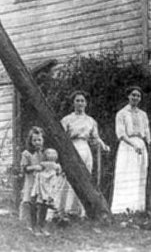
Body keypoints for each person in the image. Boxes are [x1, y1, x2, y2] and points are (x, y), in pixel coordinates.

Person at [55, 90, 110, 218]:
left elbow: (96, 137)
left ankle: (80, 211)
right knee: (70, 177)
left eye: (82, 101)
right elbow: (61, 137)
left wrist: (103, 145)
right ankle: (65, 209)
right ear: (73, 103)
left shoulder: (90, 121)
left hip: (85, 149)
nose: (80, 103)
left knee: (85, 178)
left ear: (86, 103)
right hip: (71, 148)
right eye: (77, 100)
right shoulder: (67, 119)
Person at [111, 86, 151, 213]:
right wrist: (133, 144)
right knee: (127, 175)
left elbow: (146, 130)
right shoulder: (121, 113)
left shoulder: (143, 114)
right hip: (127, 146)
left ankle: (137, 208)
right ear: (128, 96)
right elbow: (120, 134)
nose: (135, 98)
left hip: (141, 146)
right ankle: (122, 208)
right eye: (133, 95)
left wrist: (149, 141)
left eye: (138, 96)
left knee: (139, 175)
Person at [20, 126, 47, 235]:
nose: (37, 142)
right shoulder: (26, 153)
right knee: (33, 203)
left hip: (42, 183)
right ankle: (33, 226)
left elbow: (49, 165)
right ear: (30, 141)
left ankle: (42, 226)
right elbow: (24, 168)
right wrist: (35, 167)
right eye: (34, 140)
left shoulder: (45, 153)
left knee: (43, 203)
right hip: (31, 182)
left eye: (39, 140)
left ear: (43, 140)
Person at [32, 148, 62, 212]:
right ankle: (42, 199)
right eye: (49, 153)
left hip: (52, 178)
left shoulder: (56, 165)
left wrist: (58, 172)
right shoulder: (44, 163)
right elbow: (40, 168)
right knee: (43, 186)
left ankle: (50, 200)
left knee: (53, 187)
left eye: (54, 153)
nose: (52, 155)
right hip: (44, 178)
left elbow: (58, 171)